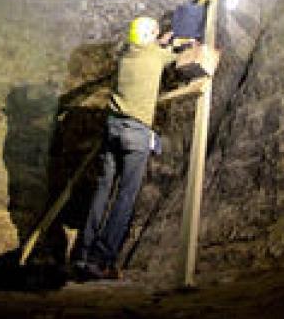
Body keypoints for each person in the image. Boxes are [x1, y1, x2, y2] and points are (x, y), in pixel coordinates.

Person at [73, 16, 218, 280]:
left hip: (112, 128)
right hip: (135, 134)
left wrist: (159, 41)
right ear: (150, 34)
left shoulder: (126, 55)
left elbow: (154, 47)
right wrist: (185, 40)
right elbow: (178, 51)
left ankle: (82, 256)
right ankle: (100, 260)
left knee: (102, 193)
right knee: (125, 198)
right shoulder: (155, 57)